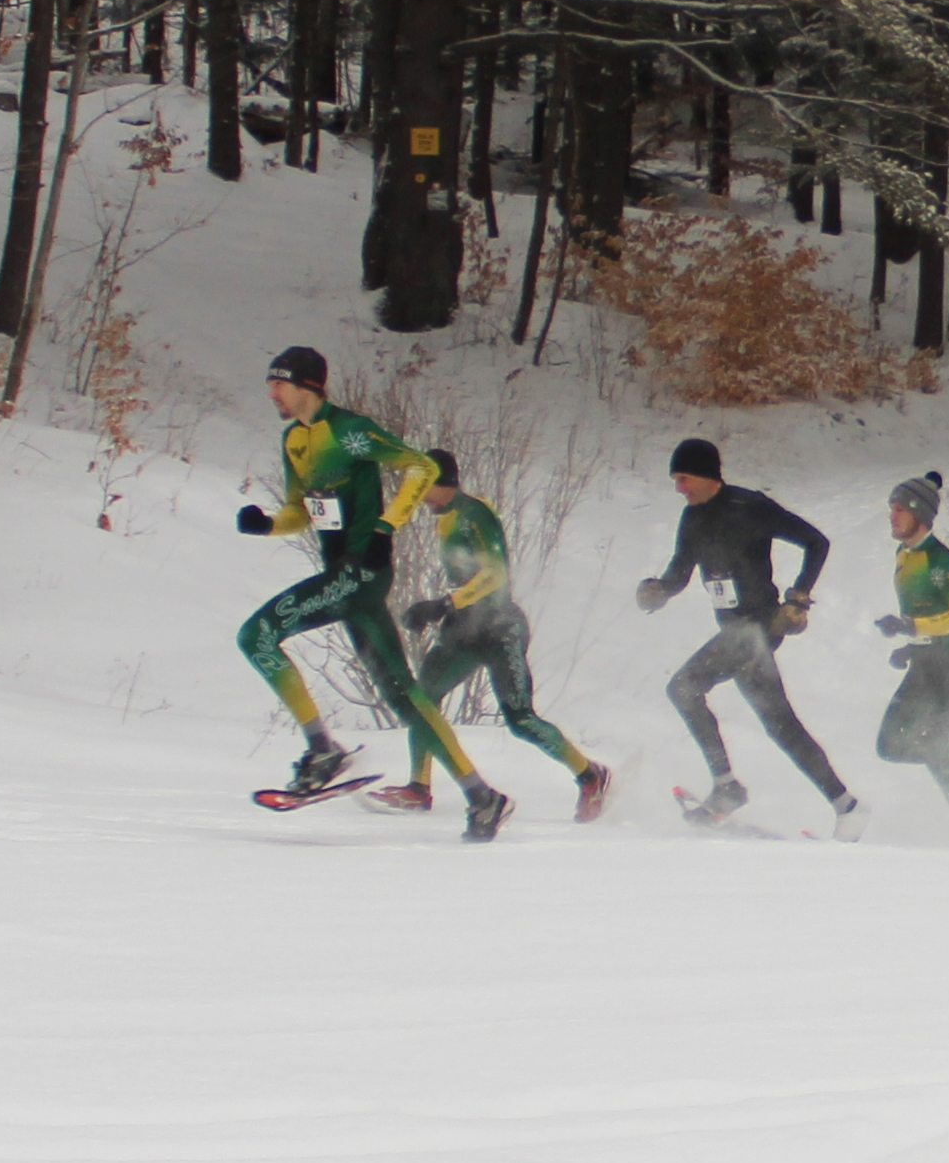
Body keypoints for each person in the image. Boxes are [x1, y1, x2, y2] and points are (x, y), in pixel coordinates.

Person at [236, 349, 506, 841]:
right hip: (344, 578)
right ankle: (481, 795)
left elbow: (421, 467)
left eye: (280, 383)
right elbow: (303, 511)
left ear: (310, 386)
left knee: (256, 635)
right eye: (270, 383)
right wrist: (269, 524)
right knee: (406, 699)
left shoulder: (348, 430)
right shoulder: (294, 439)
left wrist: (386, 526)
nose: (272, 392)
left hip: (362, 573)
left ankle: (322, 748)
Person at [639, 438, 864, 838]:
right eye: (676, 480)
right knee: (779, 723)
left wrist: (797, 599)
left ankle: (726, 787)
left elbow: (817, 543)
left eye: (684, 478)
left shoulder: (749, 507)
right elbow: (679, 573)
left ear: (707, 475)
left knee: (684, 688)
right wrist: (657, 590)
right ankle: (846, 805)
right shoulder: (692, 519)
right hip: (734, 633)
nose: (679, 488)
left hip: (759, 627)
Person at [374, 449, 608, 823]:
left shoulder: (473, 514)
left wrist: (443, 603)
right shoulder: (446, 517)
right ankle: (418, 788)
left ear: (442, 483)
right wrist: (438, 610)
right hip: (465, 630)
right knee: (422, 698)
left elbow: (497, 575)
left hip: (501, 630)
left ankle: (590, 775)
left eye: (424, 487)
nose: (419, 496)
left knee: (520, 719)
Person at [870, 473, 949, 844]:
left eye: (898, 510)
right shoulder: (903, 556)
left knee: (935, 748)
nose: (891, 517)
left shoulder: (940, 561)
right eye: (890, 509)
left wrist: (912, 627)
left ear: (919, 514)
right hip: (926, 666)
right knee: (890, 745)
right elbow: (925, 617)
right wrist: (911, 645)